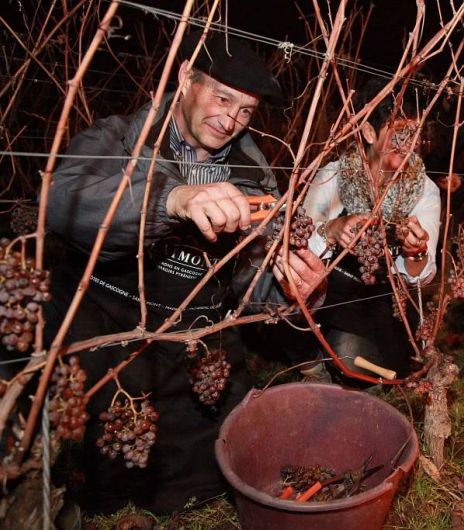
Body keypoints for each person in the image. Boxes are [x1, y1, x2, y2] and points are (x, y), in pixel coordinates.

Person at [44, 31, 326, 514]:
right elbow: (61, 200)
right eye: (221, 97)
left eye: (247, 111)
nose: (231, 119)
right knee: (107, 462)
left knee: (209, 471)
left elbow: (251, 283)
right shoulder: (120, 136)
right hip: (107, 315)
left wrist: (291, 289)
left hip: (192, 330)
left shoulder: (254, 175)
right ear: (185, 78)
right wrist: (170, 200)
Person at [266, 79, 441, 382]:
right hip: (325, 290)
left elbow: (420, 278)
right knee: (276, 296)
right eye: (399, 132)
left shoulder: (423, 191)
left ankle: (341, 355)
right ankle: (310, 364)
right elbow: (295, 246)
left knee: (352, 357)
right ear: (370, 132)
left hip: (378, 301)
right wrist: (332, 230)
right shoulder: (334, 176)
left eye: (416, 134)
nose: (410, 143)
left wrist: (416, 251)